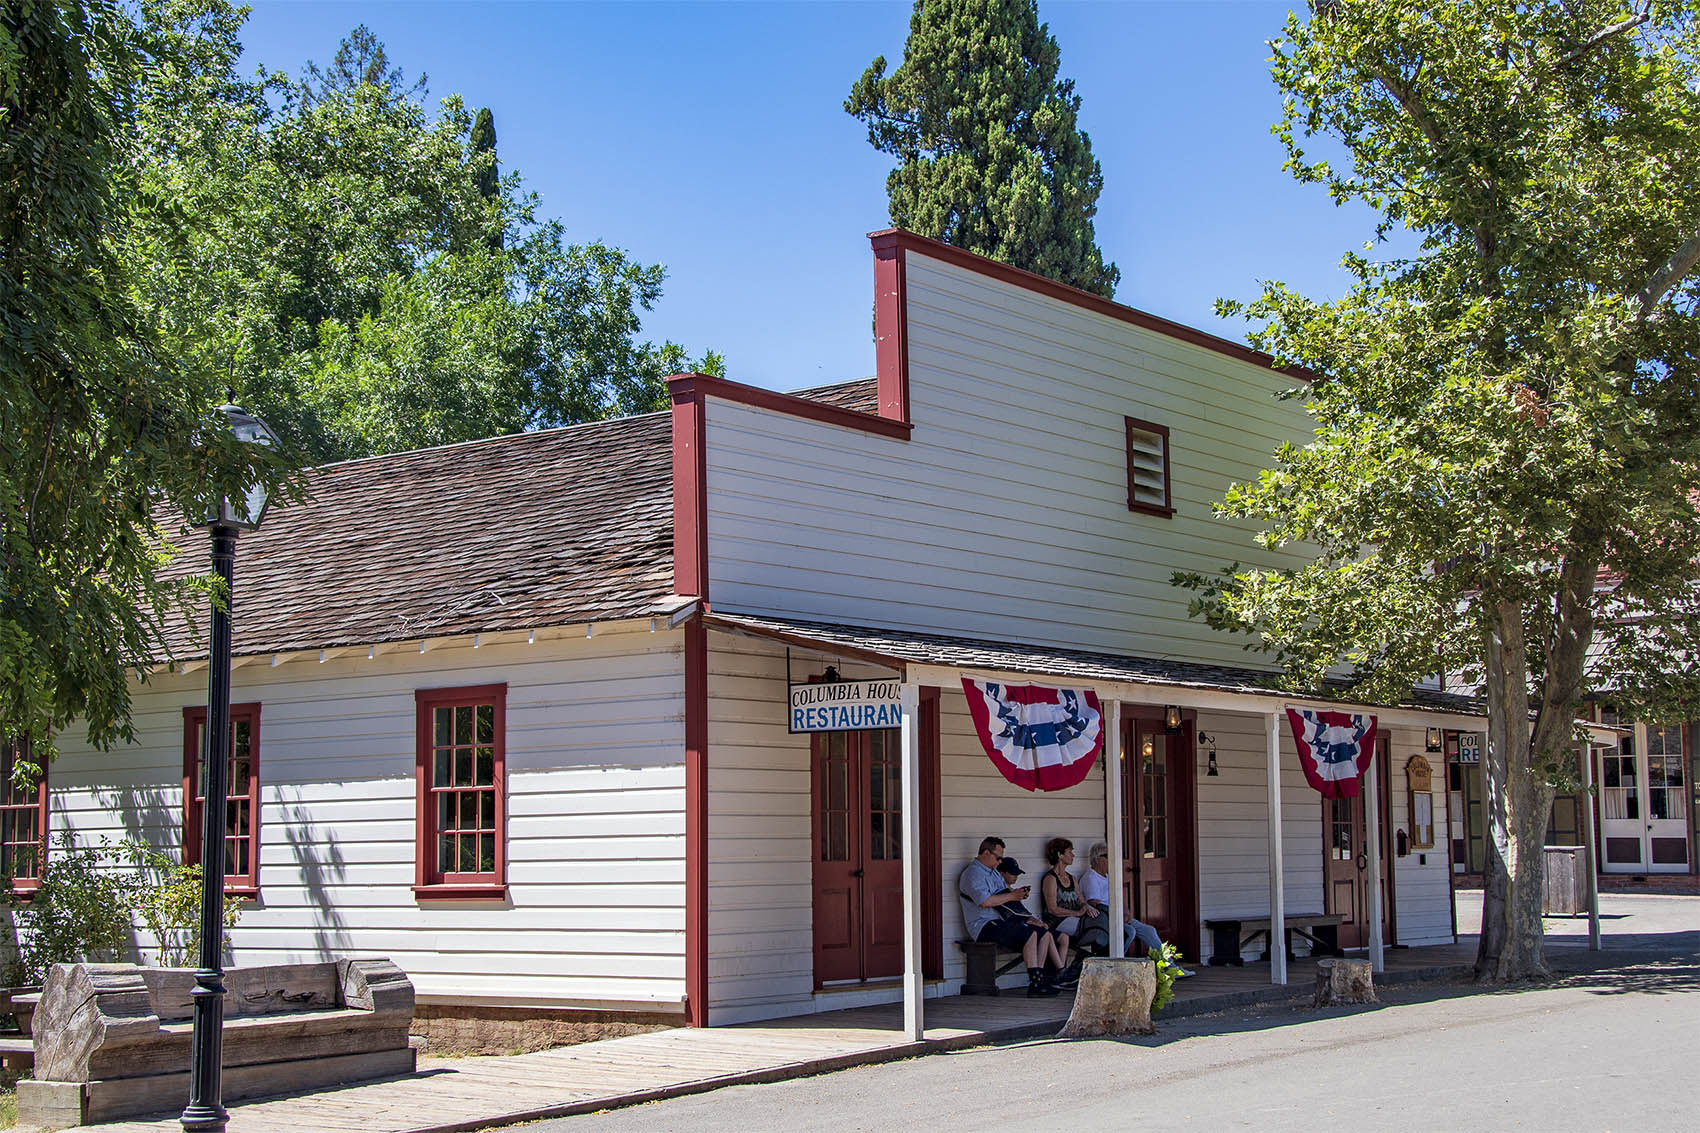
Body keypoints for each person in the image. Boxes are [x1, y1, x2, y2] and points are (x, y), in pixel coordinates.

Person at [958, 836, 1060, 997]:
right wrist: (1012, 897)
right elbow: (985, 901)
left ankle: (1040, 980)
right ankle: (1035, 983)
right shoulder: (973, 874)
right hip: (984, 925)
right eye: (998, 857)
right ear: (986, 853)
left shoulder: (994, 873)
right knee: (1030, 933)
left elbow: (1004, 896)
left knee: (1043, 932)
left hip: (1002, 920)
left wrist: (1019, 899)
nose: (1000, 862)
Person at [1078, 841, 1193, 977]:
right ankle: (1117, 969)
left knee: (1149, 930)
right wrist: (1117, 917)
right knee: (1129, 932)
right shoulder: (1091, 877)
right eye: (1109, 856)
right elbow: (1094, 904)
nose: (1113, 860)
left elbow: (1118, 898)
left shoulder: (1108, 877)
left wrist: (1126, 912)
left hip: (1117, 917)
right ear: (1098, 859)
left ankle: (1170, 968)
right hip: (1104, 920)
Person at [994, 856, 1073, 986]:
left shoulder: (1013, 892)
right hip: (1018, 928)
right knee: (1044, 933)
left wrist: (1034, 920)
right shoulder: (1002, 893)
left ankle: (1059, 973)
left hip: (1028, 924)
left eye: (1017, 873)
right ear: (1002, 873)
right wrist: (1032, 921)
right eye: (1012, 873)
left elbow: (1024, 912)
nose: (1016, 876)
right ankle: (1053, 974)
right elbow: (1012, 915)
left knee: (1063, 937)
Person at [1039, 837, 1088, 978]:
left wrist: (1085, 907)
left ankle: (1083, 960)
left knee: (1093, 923)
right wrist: (1077, 913)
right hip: (1056, 921)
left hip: (1074, 919)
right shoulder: (1050, 879)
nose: (1073, 855)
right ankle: (1071, 968)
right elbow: (1052, 909)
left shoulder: (1072, 878)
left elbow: (1081, 900)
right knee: (1087, 926)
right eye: (1069, 852)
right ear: (1060, 855)